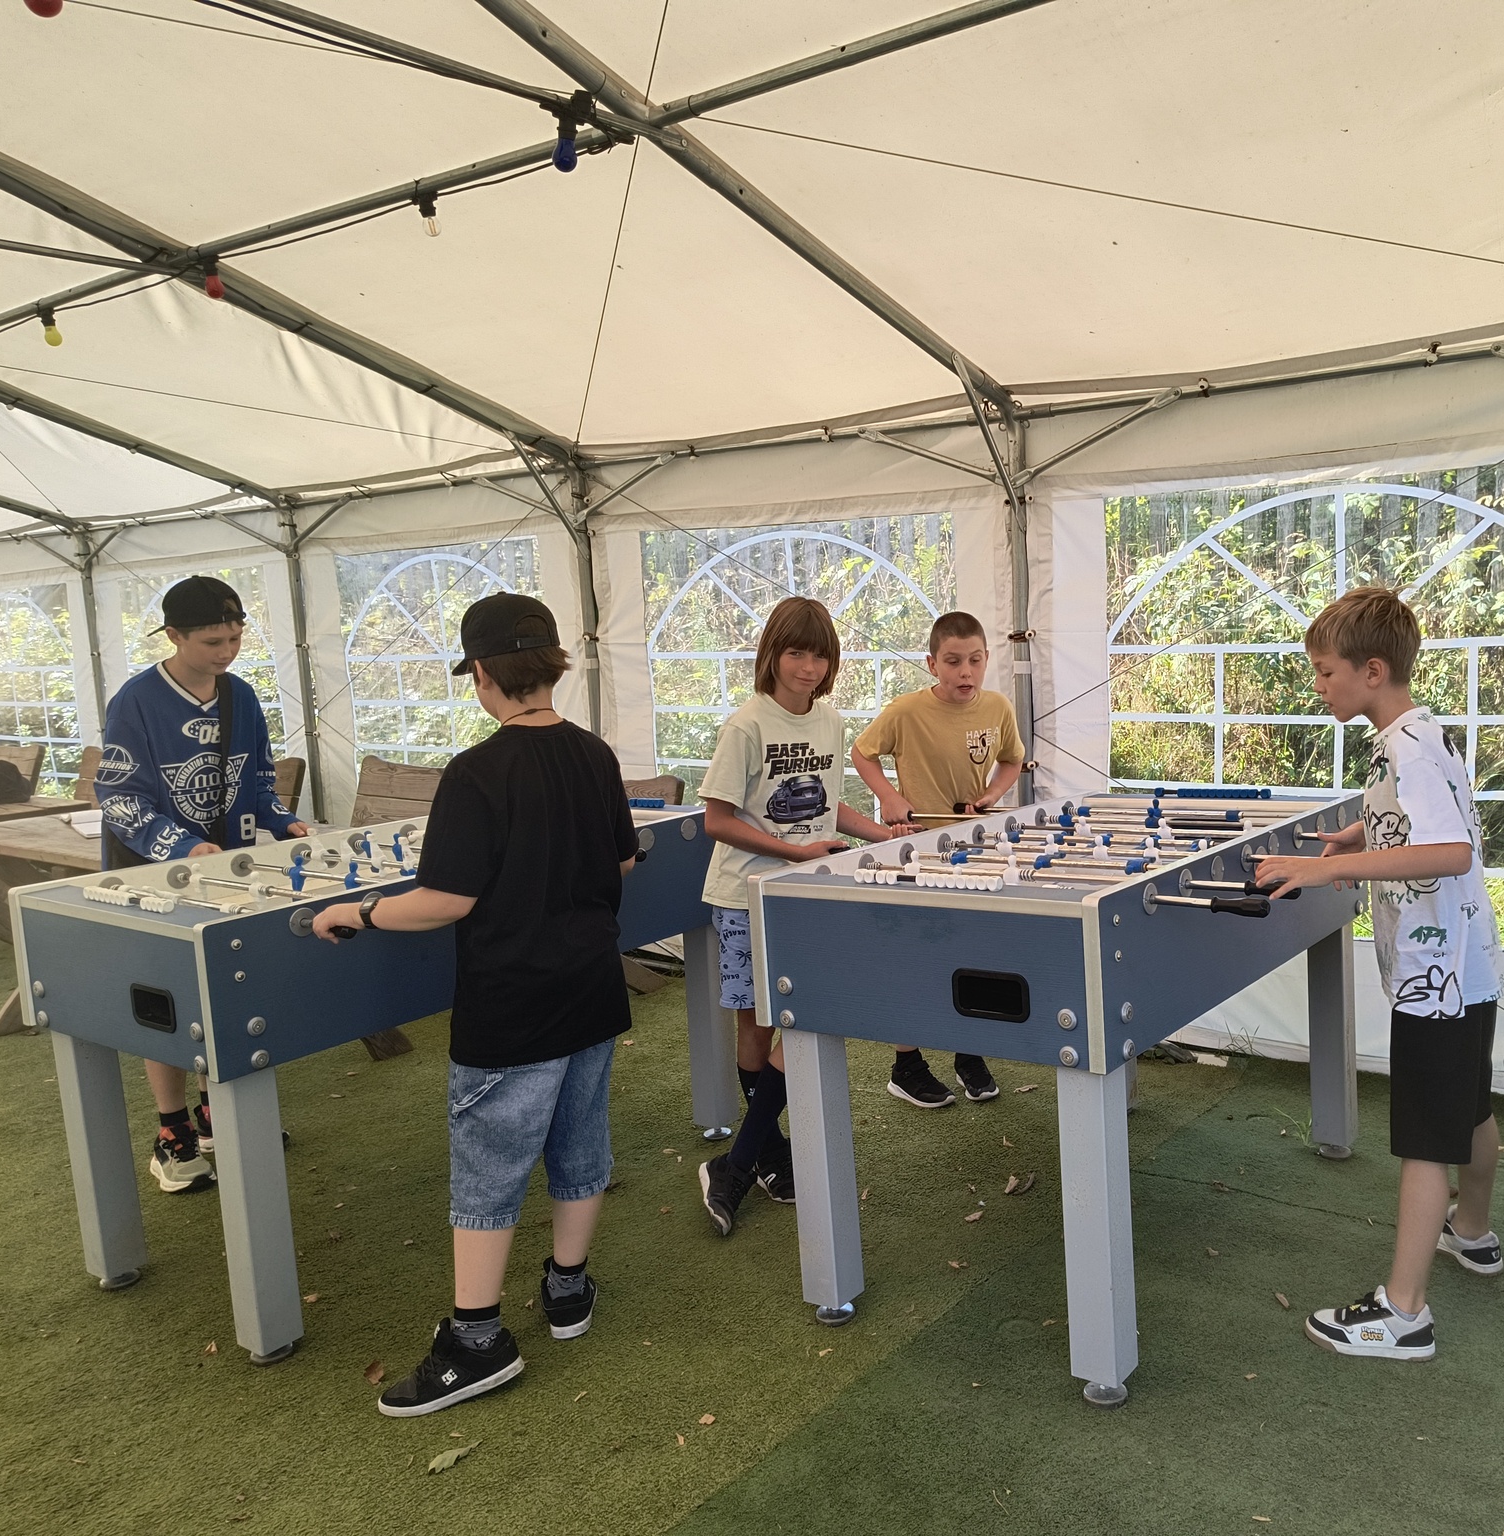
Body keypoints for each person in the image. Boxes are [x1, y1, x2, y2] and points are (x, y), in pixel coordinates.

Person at [312, 593, 640, 1416]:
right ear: (553, 665)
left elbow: (445, 900)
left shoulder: (475, 773)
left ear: (484, 674)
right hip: (592, 991)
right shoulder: (596, 755)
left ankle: (477, 1342)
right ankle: (568, 1290)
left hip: (512, 1008)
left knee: (489, 1172)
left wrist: (358, 912)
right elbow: (622, 863)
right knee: (580, 1146)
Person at [1251, 587, 1504, 1363]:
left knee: (1426, 1139)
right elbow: (1426, 814)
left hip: (1436, 975)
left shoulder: (1406, 747)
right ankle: (1472, 1232)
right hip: (1468, 965)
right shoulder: (1421, 733)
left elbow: (1450, 851)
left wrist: (1328, 869)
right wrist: (1357, 833)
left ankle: (1404, 1313)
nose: (1318, 686)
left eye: (1325, 672)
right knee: (1469, 1105)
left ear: (1371, 671)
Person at [696, 596, 911, 1234]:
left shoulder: (831, 722)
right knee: (758, 1026)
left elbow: (827, 806)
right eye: (796, 653)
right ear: (772, 654)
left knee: (802, 1020)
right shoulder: (746, 726)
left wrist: (885, 835)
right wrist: (793, 851)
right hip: (744, 896)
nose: (808, 667)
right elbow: (717, 820)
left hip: (808, 895)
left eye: (820, 656)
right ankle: (766, 1154)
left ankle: (737, 1163)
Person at [95, 576, 308, 1193]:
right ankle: (173, 1132)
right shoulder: (136, 702)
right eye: (213, 641)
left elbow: (259, 780)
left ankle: (218, 1113)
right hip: (154, 875)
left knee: (226, 989)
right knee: (163, 1002)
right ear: (174, 635)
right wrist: (181, 846)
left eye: (236, 638)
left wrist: (282, 821)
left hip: (228, 875)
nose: (228, 651)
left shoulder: (241, 695)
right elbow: (119, 799)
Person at [851, 610, 1025, 1106]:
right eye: (953, 661)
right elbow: (862, 753)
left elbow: (1012, 759)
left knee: (974, 954)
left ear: (986, 660)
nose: (965, 672)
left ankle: (969, 1053)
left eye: (975, 660)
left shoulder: (998, 708)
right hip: (917, 852)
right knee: (914, 959)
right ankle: (906, 1066)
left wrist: (991, 796)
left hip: (973, 851)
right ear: (932, 664)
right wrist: (889, 797)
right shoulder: (905, 711)